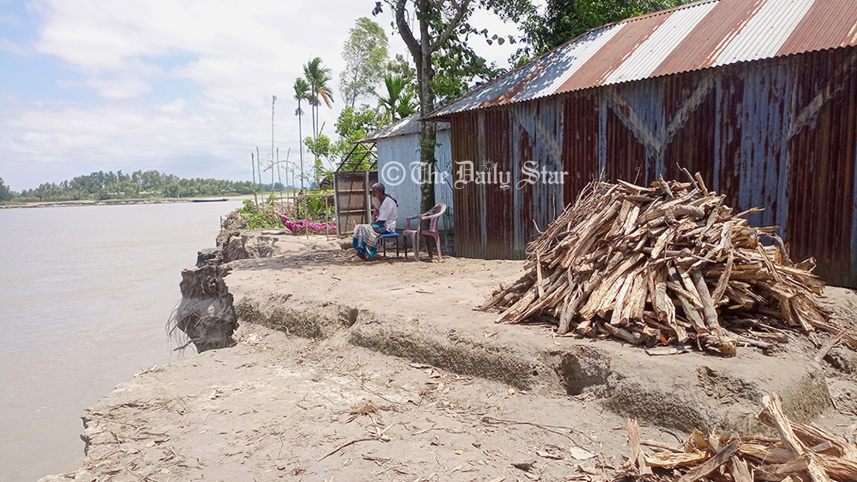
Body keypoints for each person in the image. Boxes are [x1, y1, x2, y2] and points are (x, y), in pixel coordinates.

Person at [352, 183, 398, 260]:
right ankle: (360, 251)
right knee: (360, 227)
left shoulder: (388, 202)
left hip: (387, 227)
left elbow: (382, 220)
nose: (372, 194)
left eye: (374, 192)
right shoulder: (381, 202)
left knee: (363, 228)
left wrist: (370, 225)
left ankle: (365, 253)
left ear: (380, 191)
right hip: (381, 225)